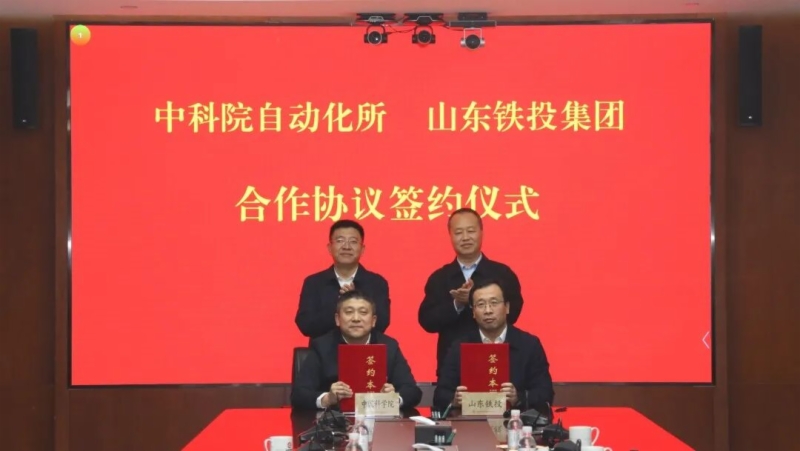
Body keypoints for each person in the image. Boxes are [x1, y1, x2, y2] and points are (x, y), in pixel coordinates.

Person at [418, 208, 524, 376]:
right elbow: (427, 321)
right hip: (453, 365)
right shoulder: (440, 277)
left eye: (471, 231)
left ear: (481, 232)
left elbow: (514, 313)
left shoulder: (502, 273)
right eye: (458, 232)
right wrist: (457, 304)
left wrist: (477, 301)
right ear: (450, 235)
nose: (465, 237)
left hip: (496, 359)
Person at [432, 279, 553, 413]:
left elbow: (545, 392)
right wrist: (454, 400)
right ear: (473, 312)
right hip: (471, 423)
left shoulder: (529, 344)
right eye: (481, 304)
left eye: (494, 303)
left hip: (517, 422)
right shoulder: (459, 347)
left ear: (507, 307)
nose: (488, 310)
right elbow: (440, 394)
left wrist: (518, 398)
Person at [291, 290, 423, 410]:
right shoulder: (321, 346)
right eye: (349, 312)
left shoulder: (389, 346)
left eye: (363, 312)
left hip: (378, 421)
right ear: (337, 319)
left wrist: (393, 399)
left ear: (373, 321)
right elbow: (299, 394)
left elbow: (412, 391)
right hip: (333, 421)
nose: (356, 319)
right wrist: (327, 399)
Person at [295, 219, 390, 340]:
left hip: (364, 349)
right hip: (323, 350)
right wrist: (341, 305)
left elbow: (381, 324)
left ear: (362, 249)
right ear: (330, 247)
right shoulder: (314, 282)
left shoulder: (377, 283)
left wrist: (357, 301)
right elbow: (305, 325)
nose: (346, 246)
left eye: (353, 241)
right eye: (340, 241)